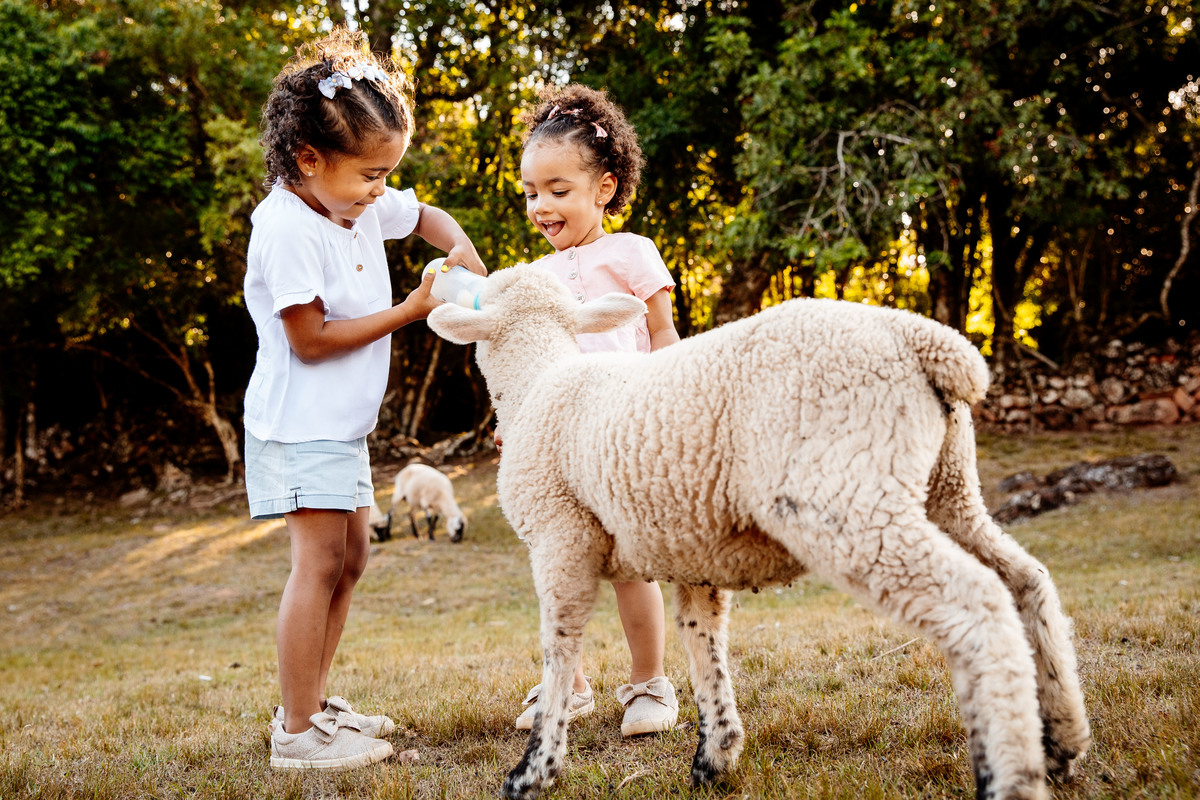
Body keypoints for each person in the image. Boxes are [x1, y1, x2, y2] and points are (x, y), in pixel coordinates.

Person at [243, 28, 485, 771]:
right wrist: (412, 310)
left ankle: (313, 704)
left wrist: (462, 250)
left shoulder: (353, 202)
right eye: (371, 175)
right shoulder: (287, 228)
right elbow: (310, 339)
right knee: (316, 565)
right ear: (308, 160)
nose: (381, 190)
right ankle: (296, 732)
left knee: (352, 562)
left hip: (340, 429)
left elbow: (424, 217)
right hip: (298, 424)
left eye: (389, 174)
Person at [511, 83, 681, 737]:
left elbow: (662, 334)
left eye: (558, 190)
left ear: (604, 188)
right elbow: (528, 362)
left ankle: (649, 684)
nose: (541, 206)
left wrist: (670, 405)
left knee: (630, 565)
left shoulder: (632, 253)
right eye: (532, 192)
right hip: (558, 446)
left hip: (623, 436)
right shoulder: (534, 276)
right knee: (561, 566)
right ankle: (570, 684)